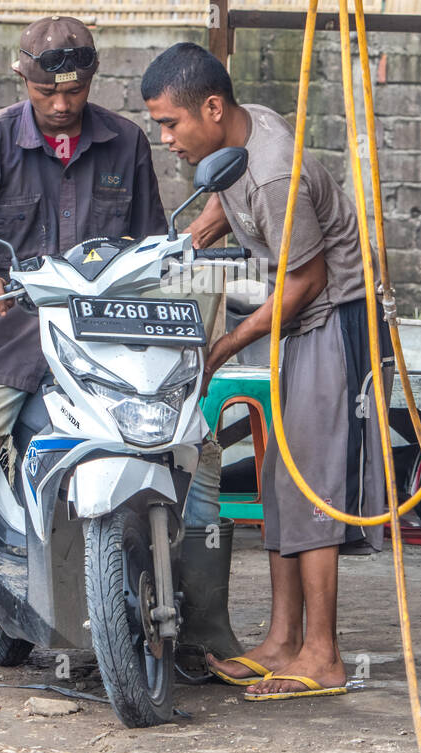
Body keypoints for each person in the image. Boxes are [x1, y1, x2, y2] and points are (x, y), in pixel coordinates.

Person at [0, 16, 171, 692]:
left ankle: (197, 624)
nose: (64, 105)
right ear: (24, 80)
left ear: (93, 81)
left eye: (75, 92)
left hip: (100, 339)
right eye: (49, 93)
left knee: (182, 447)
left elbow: (152, 242)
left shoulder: (125, 143)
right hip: (5, 337)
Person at [141, 42, 392, 700]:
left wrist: (224, 345)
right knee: (280, 474)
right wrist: (168, 255)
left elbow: (304, 282)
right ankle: (282, 640)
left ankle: (323, 654)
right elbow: (227, 202)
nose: (166, 139)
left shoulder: (276, 170)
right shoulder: (238, 137)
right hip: (297, 324)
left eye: (171, 123)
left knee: (311, 481)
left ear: (213, 109)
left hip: (332, 318)